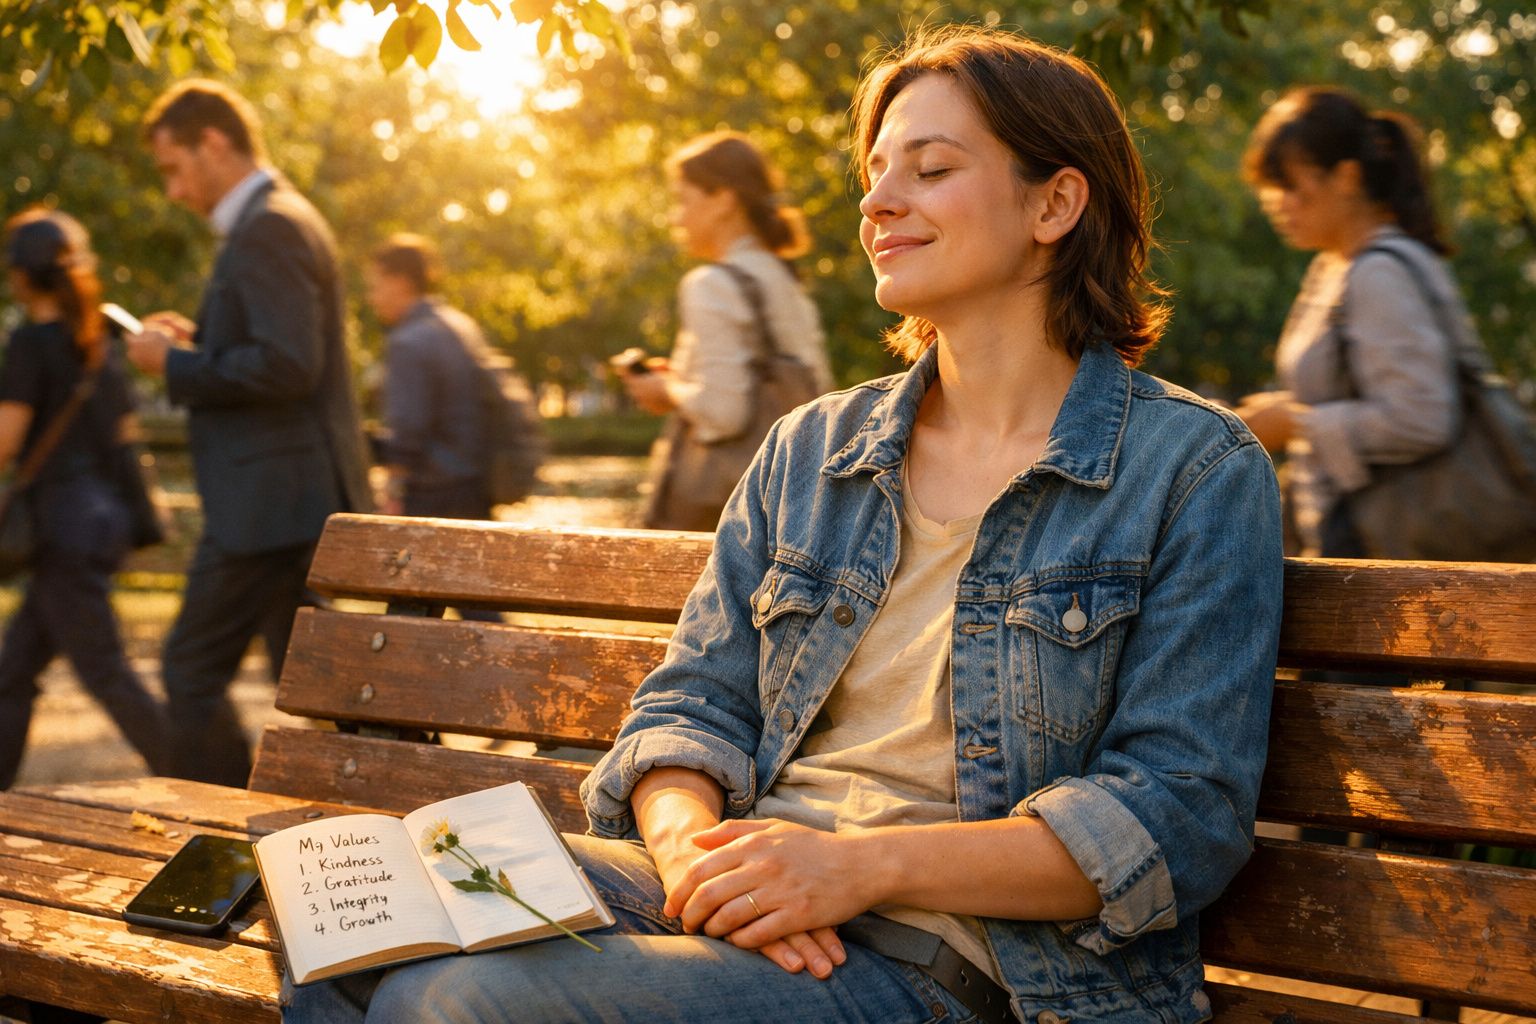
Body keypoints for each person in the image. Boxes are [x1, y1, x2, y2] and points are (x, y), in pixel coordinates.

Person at [286, 26, 1283, 1024]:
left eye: (931, 169)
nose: (878, 201)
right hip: (748, 890)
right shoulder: (814, 448)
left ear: (1054, 204)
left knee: (460, 999)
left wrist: (854, 869)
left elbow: (1176, 815)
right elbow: (691, 706)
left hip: (971, 970)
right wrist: (695, 859)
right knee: (343, 918)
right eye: (877, 172)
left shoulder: (1191, 470)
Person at [125, 79, 372, 787]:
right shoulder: (281, 217)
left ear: (213, 143)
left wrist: (173, 365)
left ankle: (223, 823)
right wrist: (198, 344)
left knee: (190, 668)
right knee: (326, 686)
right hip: (287, 498)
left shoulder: (269, 226)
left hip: (269, 505)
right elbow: (278, 351)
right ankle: (414, 809)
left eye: (174, 168)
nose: (173, 191)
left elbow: (288, 365)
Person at [1232, 87, 1479, 558]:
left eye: (1291, 186)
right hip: (1355, 539)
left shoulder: (1378, 272)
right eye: (1271, 188)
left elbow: (1422, 417)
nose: (1277, 203)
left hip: (1397, 551)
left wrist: (1296, 424)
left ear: (1346, 177)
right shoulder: (1334, 266)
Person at [0, 210, 169, 788]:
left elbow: (7, 441)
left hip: (60, 531)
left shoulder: (30, 344)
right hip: (98, 524)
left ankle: (200, 775)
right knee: (13, 671)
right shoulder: (97, 345)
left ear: (23, 276)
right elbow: (123, 435)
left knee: (105, 672)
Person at [621, 130, 833, 532]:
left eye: (683, 200)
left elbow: (724, 412)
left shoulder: (709, 285)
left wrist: (666, 390)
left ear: (723, 200)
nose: (676, 217)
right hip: (793, 506)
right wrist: (684, 381)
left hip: (728, 517)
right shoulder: (785, 278)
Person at [365, 234, 494, 521]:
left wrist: (392, 494)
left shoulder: (408, 341)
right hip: (475, 489)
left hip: (432, 495)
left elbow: (407, 434)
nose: (372, 298)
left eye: (375, 286)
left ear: (400, 281)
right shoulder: (462, 326)